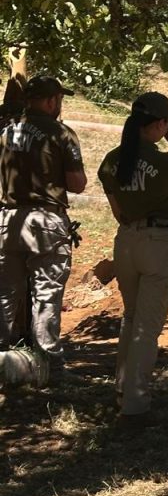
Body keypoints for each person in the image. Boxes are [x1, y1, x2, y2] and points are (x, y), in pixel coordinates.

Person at [97, 92, 168, 428]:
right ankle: (136, 406)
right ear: (161, 124)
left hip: (126, 242)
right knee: (147, 326)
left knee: (131, 318)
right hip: (159, 243)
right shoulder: (165, 162)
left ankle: (123, 391)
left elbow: (118, 212)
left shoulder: (112, 161)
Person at [0, 75, 87, 376]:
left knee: (5, 291)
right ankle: (48, 364)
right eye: (59, 99)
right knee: (46, 293)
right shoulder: (61, 133)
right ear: (51, 101)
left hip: (8, 219)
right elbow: (77, 183)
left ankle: (3, 359)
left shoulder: (6, 130)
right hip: (46, 221)